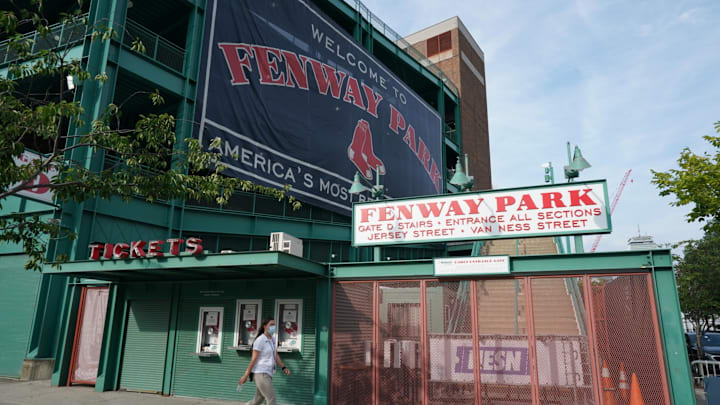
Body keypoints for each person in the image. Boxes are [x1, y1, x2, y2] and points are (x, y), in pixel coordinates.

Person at [239, 318, 291, 405]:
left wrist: (283, 367)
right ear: (264, 326)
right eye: (271, 325)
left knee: (258, 400)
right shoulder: (260, 340)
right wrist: (245, 375)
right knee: (271, 399)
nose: (273, 327)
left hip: (268, 373)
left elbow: (275, 355)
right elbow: (253, 359)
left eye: (274, 325)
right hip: (261, 373)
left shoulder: (273, 339)